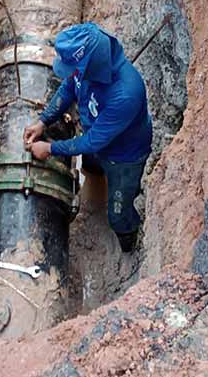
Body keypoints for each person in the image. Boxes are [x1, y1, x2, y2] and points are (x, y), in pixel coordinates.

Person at [23, 23, 152, 252]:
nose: (71, 73)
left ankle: (128, 241)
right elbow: (68, 89)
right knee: (92, 164)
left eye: (74, 68)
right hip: (97, 137)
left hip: (123, 158)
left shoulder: (126, 94)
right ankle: (96, 177)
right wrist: (43, 122)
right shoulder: (84, 69)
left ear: (92, 64)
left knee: (117, 214)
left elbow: (93, 141)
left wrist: (50, 148)